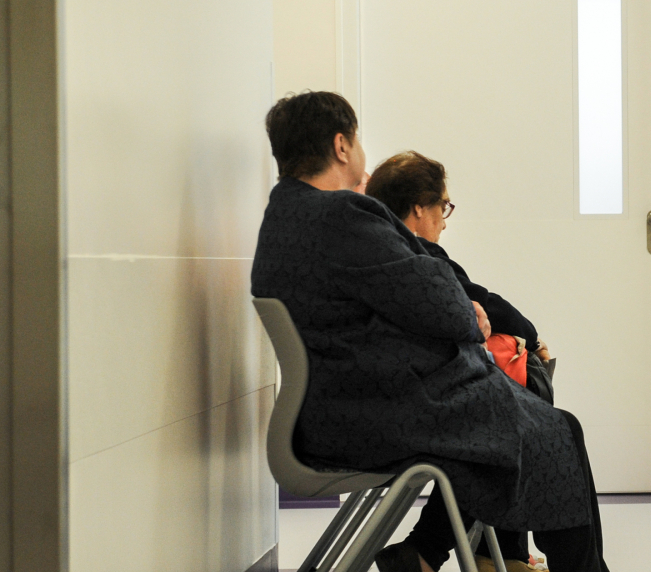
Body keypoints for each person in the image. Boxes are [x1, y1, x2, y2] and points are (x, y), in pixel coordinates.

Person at [250, 91, 611, 572]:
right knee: (557, 431)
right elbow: (445, 304)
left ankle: (430, 552)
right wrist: (465, 311)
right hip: (379, 414)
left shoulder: (283, 218)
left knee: (539, 427)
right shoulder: (340, 216)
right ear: (341, 145)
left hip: (344, 408)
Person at [365, 151, 556, 572]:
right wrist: (531, 336)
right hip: (416, 414)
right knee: (516, 416)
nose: (445, 220)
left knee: (508, 408)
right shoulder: (419, 260)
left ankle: (485, 551)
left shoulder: (378, 254)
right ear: (419, 208)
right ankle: (465, 551)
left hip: (392, 404)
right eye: (443, 206)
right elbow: (483, 301)